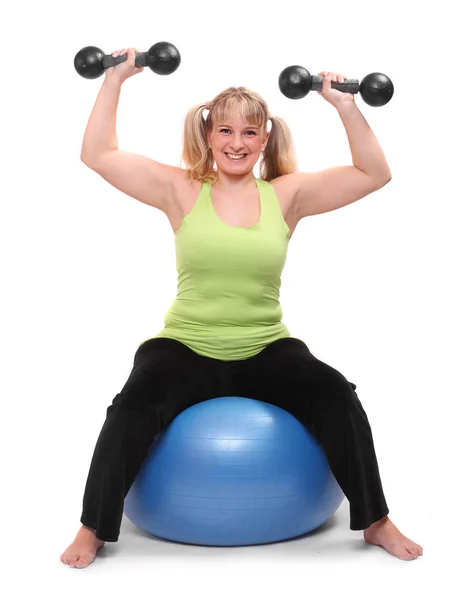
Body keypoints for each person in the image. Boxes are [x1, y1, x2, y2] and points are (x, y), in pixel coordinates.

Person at [61, 48, 423, 568]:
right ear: (208, 136)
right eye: (226, 131)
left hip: (265, 346)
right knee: (129, 409)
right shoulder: (180, 189)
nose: (237, 143)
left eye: (250, 133)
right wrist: (116, 78)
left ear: (265, 139)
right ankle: (92, 528)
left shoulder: (287, 195)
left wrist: (344, 105)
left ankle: (376, 521)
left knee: (338, 396)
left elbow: (374, 173)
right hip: (186, 344)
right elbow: (97, 154)